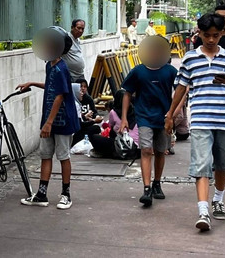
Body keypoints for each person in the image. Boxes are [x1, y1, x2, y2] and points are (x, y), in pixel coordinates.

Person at [166, 13, 225, 231]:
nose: (210, 40)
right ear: (199, 33)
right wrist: (170, 115)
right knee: (201, 166)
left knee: (223, 165)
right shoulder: (190, 58)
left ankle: (218, 198)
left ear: (222, 33)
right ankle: (203, 211)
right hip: (200, 119)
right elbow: (181, 88)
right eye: (207, 35)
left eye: (215, 35)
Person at [18, 27, 80, 210]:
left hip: (62, 121)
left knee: (63, 157)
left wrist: (48, 123)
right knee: (45, 156)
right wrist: (32, 83)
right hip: (50, 121)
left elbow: (60, 95)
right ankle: (41, 194)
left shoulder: (61, 68)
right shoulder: (50, 65)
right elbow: (51, 86)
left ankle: (66, 194)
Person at [120, 36, 177, 207]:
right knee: (146, 150)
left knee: (160, 151)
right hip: (144, 116)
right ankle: (146, 188)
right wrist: (124, 118)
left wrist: (173, 114)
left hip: (164, 118)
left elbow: (181, 91)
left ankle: (157, 183)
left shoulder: (170, 71)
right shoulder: (138, 71)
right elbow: (127, 93)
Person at [193, 5, 225, 157]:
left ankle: (223, 160)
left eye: (224, 17)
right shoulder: (200, 43)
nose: (211, 40)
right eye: (207, 36)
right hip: (204, 102)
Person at [89, 89, 140, 158]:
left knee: (94, 136)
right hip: (136, 148)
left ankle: (107, 152)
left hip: (120, 145)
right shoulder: (137, 111)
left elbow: (110, 126)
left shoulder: (113, 112)